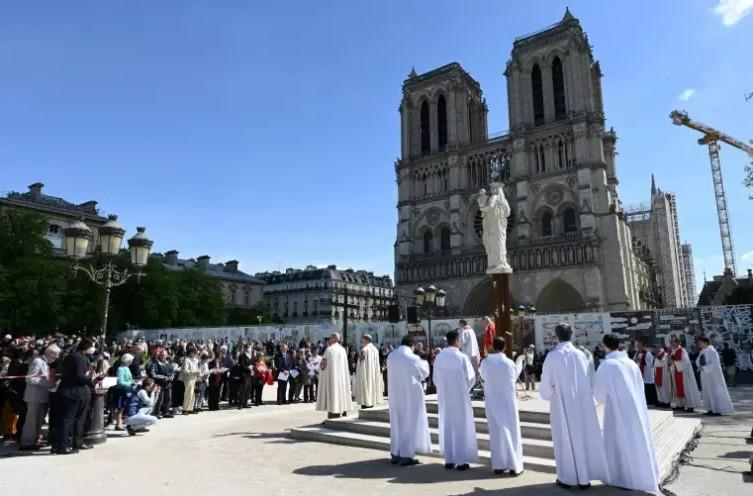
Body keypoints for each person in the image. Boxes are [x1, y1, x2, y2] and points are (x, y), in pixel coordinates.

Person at [540, 323, 606, 490]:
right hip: (580, 404)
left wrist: (549, 394)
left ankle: (566, 478)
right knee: (581, 438)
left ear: (556, 336)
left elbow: (545, 388)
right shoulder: (580, 355)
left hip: (561, 404)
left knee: (564, 440)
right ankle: (584, 479)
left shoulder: (552, 357)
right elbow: (590, 378)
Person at [593, 334, 660, 493]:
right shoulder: (631, 363)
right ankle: (641, 476)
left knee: (619, 443)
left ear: (605, 346)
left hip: (617, 412)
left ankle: (622, 477)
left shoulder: (607, 365)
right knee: (636, 441)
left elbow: (599, 395)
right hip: (636, 412)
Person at [433, 330, 478, 471]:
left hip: (445, 398)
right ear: (457, 341)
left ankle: (449, 460)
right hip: (460, 398)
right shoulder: (462, 357)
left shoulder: (439, 357)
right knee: (460, 428)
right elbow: (471, 378)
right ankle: (461, 461)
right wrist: (464, 390)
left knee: (447, 427)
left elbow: (435, 379)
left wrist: (443, 390)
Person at [479, 337, 523, 475]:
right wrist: (520, 361)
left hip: (493, 401)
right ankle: (513, 465)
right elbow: (515, 375)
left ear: (492, 346)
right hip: (507, 402)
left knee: (496, 432)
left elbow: (483, 376)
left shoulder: (485, 363)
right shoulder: (509, 363)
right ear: (504, 347)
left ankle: (499, 465)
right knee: (512, 431)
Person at [386, 335, 431, 467]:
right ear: (412, 345)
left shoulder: (391, 356)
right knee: (409, 424)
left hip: (395, 395)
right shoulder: (411, 357)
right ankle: (406, 455)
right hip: (409, 396)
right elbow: (425, 372)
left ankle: (396, 453)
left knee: (396, 424)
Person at [53, 339, 97, 455]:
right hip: (74, 392)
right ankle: (65, 445)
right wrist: (92, 381)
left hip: (71, 391)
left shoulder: (72, 356)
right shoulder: (79, 358)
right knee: (69, 419)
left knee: (73, 419)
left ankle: (72, 443)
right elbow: (80, 376)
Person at [20, 344, 60, 450]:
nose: (56, 357)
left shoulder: (46, 363)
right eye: (56, 355)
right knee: (31, 421)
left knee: (38, 421)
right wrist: (48, 383)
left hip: (42, 396)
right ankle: (27, 443)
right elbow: (29, 379)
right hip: (34, 397)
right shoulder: (37, 361)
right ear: (50, 353)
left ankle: (33, 440)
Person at [316, 333, 353, 419]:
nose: (328, 341)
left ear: (333, 339)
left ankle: (332, 416)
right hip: (341, 379)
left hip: (331, 379)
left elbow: (323, 365)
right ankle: (340, 412)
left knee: (332, 397)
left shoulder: (329, 350)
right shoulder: (343, 350)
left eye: (329, 339)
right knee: (339, 395)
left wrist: (318, 371)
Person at [695, 337, 734, 416]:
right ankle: (710, 409)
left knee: (714, 392)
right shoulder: (702, 351)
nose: (699, 344)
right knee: (707, 392)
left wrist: (704, 367)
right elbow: (697, 361)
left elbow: (715, 364)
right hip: (705, 375)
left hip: (713, 376)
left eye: (700, 342)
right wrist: (700, 366)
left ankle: (717, 409)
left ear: (705, 342)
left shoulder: (712, 351)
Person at [668, 338, 702, 413]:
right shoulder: (673, 351)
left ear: (677, 343)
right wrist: (671, 363)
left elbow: (685, 362)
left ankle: (691, 406)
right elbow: (672, 361)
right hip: (676, 373)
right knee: (678, 389)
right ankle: (681, 405)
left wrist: (674, 362)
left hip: (684, 374)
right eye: (671, 343)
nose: (672, 345)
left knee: (687, 389)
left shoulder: (682, 351)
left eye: (673, 343)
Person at [355, 335, 384, 409]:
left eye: (362, 340)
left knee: (366, 394)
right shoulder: (375, 350)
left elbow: (361, 364)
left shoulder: (364, 350)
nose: (362, 342)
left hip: (365, 374)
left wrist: (359, 374)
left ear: (366, 340)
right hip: (373, 375)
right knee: (371, 392)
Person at [147, 349, 174, 418]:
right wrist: (163, 377)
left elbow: (172, 372)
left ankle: (166, 412)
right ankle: (157, 412)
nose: (163, 356)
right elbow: (153, 374)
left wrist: (171, 377)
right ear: (159, 355)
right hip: (159, 384)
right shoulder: (155, 363)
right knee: (159, 399)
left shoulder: (169, 364)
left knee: (168, 399)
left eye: (164, 355)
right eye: (162, 355)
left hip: (168, 384)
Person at [633, 341, 657, 407]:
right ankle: (645, 401)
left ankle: (652, 402)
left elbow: (650, 362)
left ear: (643, 346)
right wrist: (636, 361)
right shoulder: (637, 353)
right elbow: (634, 360)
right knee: (643, 387)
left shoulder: (648, 353)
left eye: (640, 345)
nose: (638, 346)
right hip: (640, 372)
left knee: (649, 387)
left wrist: (641, 361)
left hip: (647, 372)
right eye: (638, 345)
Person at [179, 347, 200, 415]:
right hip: (188, 379)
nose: (194, 354)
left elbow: (197, 368)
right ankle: (185, 409)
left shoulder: (195, 360)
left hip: (194, 378)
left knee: (193, 395)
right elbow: (185, 370)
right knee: (188, 394)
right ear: (190, 352)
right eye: (193, 352)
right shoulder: (187, 360)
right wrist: (194, 372)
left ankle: (190, 408)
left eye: (195, 353)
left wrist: (198, 373)